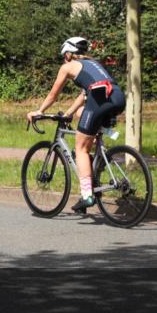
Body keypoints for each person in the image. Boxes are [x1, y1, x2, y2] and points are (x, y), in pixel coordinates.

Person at [26, 36, 126, 213]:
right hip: (117, 97)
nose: (64, 58)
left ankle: (87, 195)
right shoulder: (93, 64)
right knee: (83, 120)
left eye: (64, 55)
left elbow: (53, 95)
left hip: (100, 98)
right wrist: (68, 114)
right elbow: (83, 96)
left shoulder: (67, 67)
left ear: (69, 54)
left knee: (80, 148)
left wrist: (39, 111)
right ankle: (97, 169)